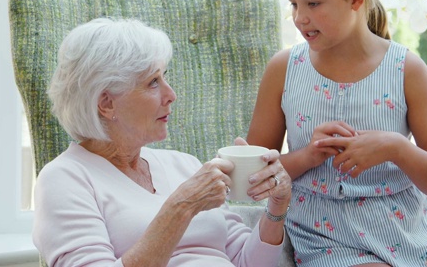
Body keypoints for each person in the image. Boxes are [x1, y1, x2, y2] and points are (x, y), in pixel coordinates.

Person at [246, 0, 427, 266]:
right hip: (325, 238)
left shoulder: (407, 70)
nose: (299, 17)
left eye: (313, 3)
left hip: (411, 237)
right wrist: (308, 156)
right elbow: (253, 177)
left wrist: (397, 148)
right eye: (294, 3)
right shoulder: (284, 69)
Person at [33, 18, 292, 267]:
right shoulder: (64, 178)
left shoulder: (184, 164)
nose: (171, 95)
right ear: (106, 103)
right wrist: (182, 206)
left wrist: (277, 206)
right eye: (153, 82)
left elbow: (249, 262)